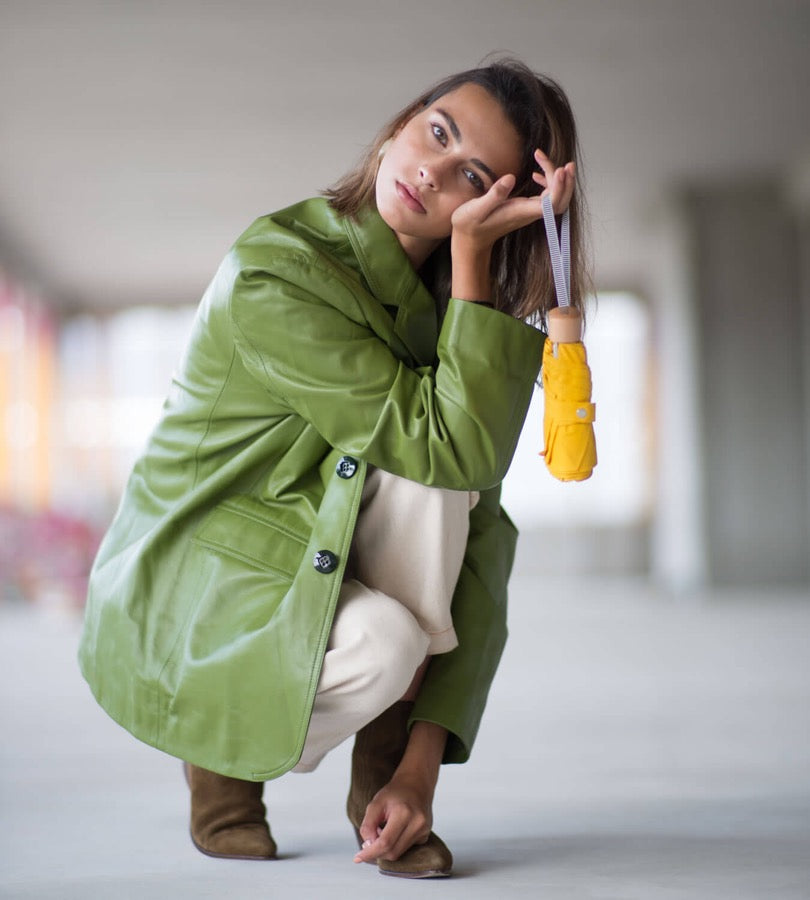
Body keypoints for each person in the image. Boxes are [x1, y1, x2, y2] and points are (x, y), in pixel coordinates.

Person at [78, 57, 587, 879]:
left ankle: (385, 790)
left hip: (320, 553)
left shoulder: (448, 319)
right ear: (399, 123)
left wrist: (420, 770)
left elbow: (480, 533)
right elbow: (444, 442)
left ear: (502, 212)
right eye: (437, 131)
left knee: (443, 488)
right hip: (203, 579)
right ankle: (223, 751)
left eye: (473, 176)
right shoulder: (275, 270)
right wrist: (467, 260)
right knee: (390, 625)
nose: (432, 171)